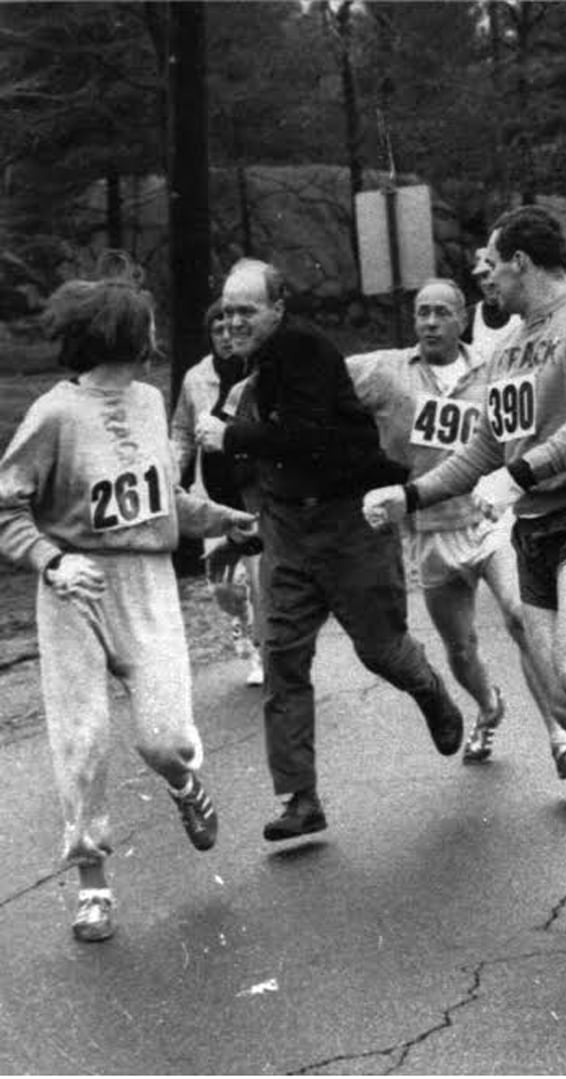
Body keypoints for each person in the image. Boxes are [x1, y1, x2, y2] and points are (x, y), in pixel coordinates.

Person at [0, 271, 256, 941]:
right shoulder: (54, 413)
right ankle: (93, 884)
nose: (155, 333)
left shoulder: (148, 401)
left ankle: (185, 784)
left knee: (166, 738)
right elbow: (6, 507)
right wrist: (52, 560)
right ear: (122, 332)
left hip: (147, 583)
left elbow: (162, 501)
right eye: (146, 323)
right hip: (75, 589)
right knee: (82, 740)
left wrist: (223, 519)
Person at [364, 206, 566, 799]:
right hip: (534, 528)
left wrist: (520, 473)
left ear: (521, 261)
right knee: (564, 705)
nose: (486, 276)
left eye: (492, 264)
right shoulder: (511, 346)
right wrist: (408, 495)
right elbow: (487, 446)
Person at [194, 257, 465, 843]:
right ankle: (300, 798)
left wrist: (231, 435)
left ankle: (429, 689)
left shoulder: (305, 349)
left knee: (382, 652)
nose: (234, 322)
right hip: (287, 529)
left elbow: (307, 437)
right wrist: (239, 516)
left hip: (349, 523)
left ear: (278, 309)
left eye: (247, 311)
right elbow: (232, 453)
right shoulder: (240, 363)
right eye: (228, 311)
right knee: (282, 658)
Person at [347, 279, 566, 779]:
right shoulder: (385, 370)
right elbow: (317, 378)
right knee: (460, 649)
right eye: (422, 313)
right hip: (430, 530)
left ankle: (561, 736)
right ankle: (488, 703)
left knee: (521, 616)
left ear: (464, 318)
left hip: (491, 518)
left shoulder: (496, 368)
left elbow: (532, 426)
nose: (430, 322)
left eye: (442, 312)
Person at [170, 299, 265, 686]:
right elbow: (181, 431)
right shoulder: (196, 378)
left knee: (260, 581)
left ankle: (262, 653)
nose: (227, 336)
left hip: (255, 494)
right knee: (223, 586)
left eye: (231, 328)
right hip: (212, 496)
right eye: (217, 330)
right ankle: (242, 622)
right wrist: (171, 469)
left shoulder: (262, 371)